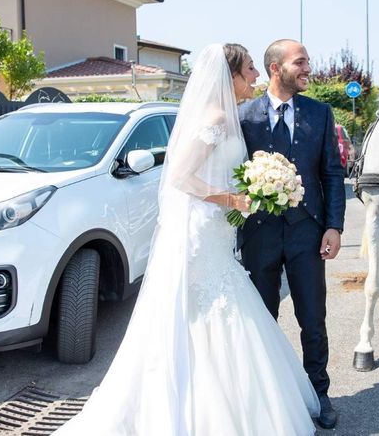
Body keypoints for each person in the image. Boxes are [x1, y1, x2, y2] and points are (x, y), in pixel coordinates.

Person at [56, 44, 320, 436]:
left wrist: (256, 187)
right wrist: (231, 198)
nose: (254, 77)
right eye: (249, 69)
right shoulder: (213, 117)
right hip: (201, 231)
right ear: (229, 74)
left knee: (221, 310)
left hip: (217, 228)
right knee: (202, 314)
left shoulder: (229, 118)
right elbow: (180, 176)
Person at [238, 39, 346, 430]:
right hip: (259, 235)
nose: (307, 69)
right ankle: (269, 396)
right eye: (300, 62)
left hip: (307, 233)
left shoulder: (320, 113)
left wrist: (334, 225)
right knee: (263, 320)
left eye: (307, 61)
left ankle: (319, 391)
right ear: (274, 68)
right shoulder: (243, 116)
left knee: (312, 318)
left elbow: (332, 173)